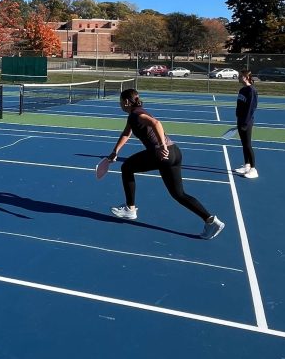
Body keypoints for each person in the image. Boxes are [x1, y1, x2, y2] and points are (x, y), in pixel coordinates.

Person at [107, 88, 224, 239]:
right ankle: (211, 221)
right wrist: (115, 151)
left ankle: (130, 208)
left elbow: (156, 123)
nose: (120, 105)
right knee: (179, 194)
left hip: (161, 153)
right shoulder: (135, 115)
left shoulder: (136, 114)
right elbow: (126, 133)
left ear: (127, 102)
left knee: (127, 167)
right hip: (175, 152)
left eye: (121, 102)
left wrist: (161, 145)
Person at [234, 69, 258, 178]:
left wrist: (245, 122)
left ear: (245, 77)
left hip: (247, 122)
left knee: (248, 145)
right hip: (240, 120)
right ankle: (247, 166)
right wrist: (238, 119)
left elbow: (251, 108)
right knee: (244, 144)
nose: (238, 77)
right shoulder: (242, 90)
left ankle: (253, 169)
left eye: (240, 76)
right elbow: (239, 105)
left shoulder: (251, 91)